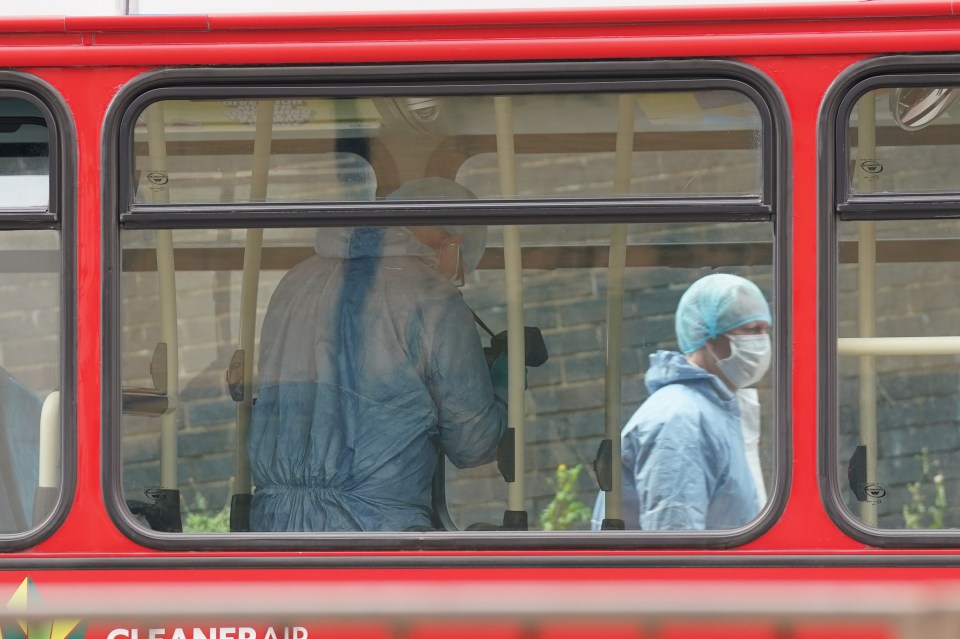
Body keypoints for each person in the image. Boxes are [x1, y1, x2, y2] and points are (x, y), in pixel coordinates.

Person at [247, 177, 508, 532]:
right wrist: (502, 389)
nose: (453, 276)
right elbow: (472, 445)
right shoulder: (433, 297)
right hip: (375, 531)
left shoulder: (294, 281)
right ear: (454, 245)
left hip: (272, 527)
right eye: (460, 269)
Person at [593, 272, 772, 531]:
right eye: (752, 330)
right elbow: (674, 541)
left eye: (765, 331)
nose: (762, 343)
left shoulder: (713, 410)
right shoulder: (680, 420)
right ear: (709, 334)